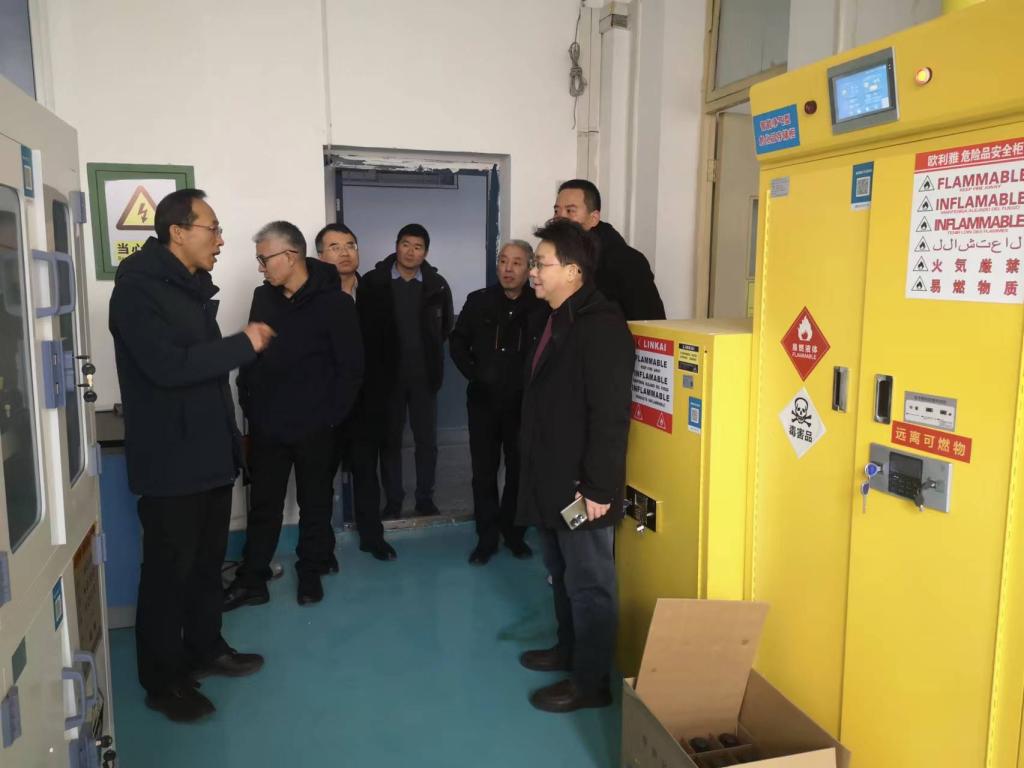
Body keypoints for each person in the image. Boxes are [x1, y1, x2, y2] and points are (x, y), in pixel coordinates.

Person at [108, 188, 272, 723]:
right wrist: (243, 343)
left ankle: (206, 648)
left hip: (209, 456)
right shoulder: (137, 291)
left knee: (205, 566)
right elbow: (168, 367)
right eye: (213, 229)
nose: (221, 241)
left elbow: (202, 372)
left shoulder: (191, 288)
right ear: (178, 232)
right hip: (171, 461)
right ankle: (163, 682)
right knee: (167, 575)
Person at [516, 218, 635, 713]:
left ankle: (590, 683)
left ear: (573, 271)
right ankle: (568, 652)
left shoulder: (601, 326)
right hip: (551, 477)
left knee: (589, 584)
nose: (532, 272)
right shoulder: (557, 318)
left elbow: (610, 415)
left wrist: (599, 488)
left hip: (582, 486)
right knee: (561, 572)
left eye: (541, 264)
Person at [224, 221, 363, 610]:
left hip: (317, 428)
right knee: (264, 505)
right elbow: (253, 354)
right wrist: (250, 404)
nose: (260, 267)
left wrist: (330, 418)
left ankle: (311, 572)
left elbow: (351, 369)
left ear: (290, 256)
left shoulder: (335, 303)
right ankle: (253, 579)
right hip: (268, 425)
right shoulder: (263, 297)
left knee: (315, 503)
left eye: (264, 259)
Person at [450, 240, 544, 564]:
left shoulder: (541, 305)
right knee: (484, 472)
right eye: (503, 261)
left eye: (516, 262)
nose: (508, 268)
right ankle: (486, 538)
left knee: (520, 471)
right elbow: (457, 342)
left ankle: (514, 533)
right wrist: (475, 374)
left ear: (530, 268)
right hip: (483, 402)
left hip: (523, 406)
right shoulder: (478, 301)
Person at [360, 223, 454, 521]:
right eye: (406, 244)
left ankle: (425, 498)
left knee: (426, 442)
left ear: (425, 252)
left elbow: (445, 326)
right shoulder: (374, 282)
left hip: (424, 378)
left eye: (418, 247)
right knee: (390, 442)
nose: (411, 251)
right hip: (387, 379)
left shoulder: (437, 284)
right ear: (396, 245)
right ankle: (393, 501)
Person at [315, 223, 396, 561]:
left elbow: (389, 348)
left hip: (367, 403)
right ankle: (320, 548)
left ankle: (372, 537)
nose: (345, 252)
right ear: (320, 256)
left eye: (350, 245)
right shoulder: (313, 298)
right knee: (319, 479)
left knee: (366, 472)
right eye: (335, 247)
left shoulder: (376, 293)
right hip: (326, 406)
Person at [554, 179, 666, 321]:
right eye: (556, 211)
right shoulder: (560, 256)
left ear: (594, 218)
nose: (560, 218)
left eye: (570, 211)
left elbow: (650, 323)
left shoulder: (627, 262)